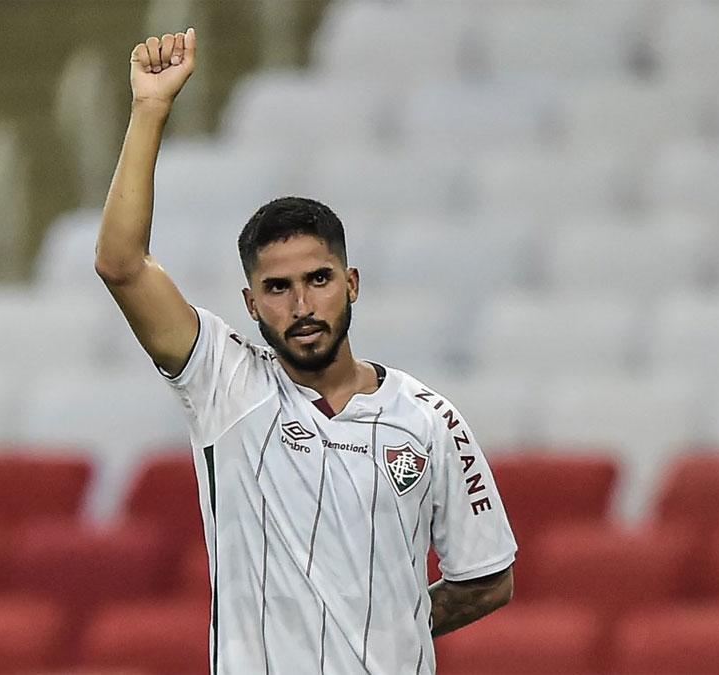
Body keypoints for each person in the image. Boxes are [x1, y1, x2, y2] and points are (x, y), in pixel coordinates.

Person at [95, 28, 517, 674]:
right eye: (277, 287)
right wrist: (150, 110)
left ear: (350, 284)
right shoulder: (225, 383)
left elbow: (487, 579)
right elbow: (121, 264)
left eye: (318, 280)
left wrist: (387, 624)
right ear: (250, 302)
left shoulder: (430, 420)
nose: (301, 305)